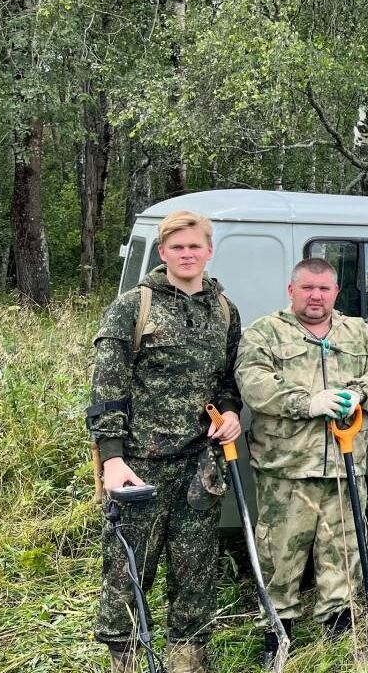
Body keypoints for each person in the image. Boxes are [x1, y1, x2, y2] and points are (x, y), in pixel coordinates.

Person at [88, 210, 242, 673]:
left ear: (209, 250)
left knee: (195, 576)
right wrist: (112, 461)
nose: (187, 254)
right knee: (127, 574)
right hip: (140, 468)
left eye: (195, 245)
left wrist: (231, 412)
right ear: (163, 253)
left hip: (201, 468)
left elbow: (227, 382)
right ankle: (129, 663)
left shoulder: (224, 311)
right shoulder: (133, 306)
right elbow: (105, 391)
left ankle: (188, 663)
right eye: (177, 247)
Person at [234, 257, 368, 666]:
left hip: (344, 467)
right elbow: (253, 383)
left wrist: (360, 392)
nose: (315, 296)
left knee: (342, 556)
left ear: (335, 293)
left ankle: (338, 635)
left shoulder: (356, 332)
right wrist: (307, 403)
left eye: (324, 289)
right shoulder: (265, 333)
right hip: (286, 471)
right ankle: (278, 638)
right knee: (280, 561)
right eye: (307, 288)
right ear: (291, 291)